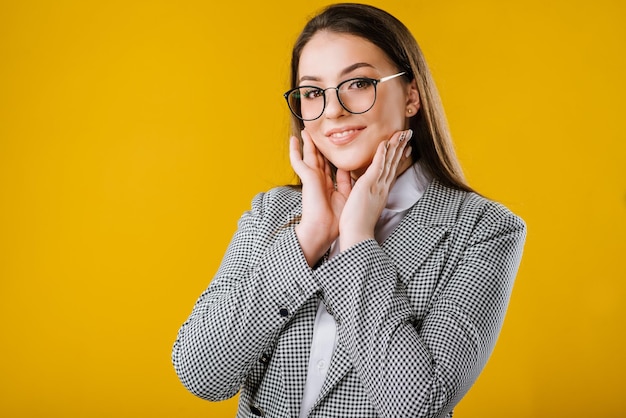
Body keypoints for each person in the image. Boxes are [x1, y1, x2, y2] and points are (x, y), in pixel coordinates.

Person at [172, 3, 526, 417]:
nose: (333, 110)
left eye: (357, 83)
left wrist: (357, 239)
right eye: (312, 92)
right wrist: (310, 236)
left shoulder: (484, 229)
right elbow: (200, 373)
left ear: (411, 95)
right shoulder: (272, 212)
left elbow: (419, 407)